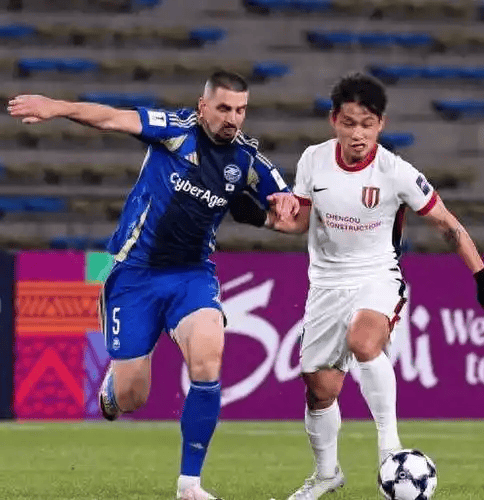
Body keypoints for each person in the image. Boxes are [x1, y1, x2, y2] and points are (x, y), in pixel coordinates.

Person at [7, 71, 298, 500]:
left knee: (208, 357)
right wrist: (58, 108)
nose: (232, 118)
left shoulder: (247, 159)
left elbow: (291, 211)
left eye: (240, 110)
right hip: (135, 275)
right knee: (131, 398)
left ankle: (189, 485)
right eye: (223, 108)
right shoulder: (175, 131)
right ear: (203, 107)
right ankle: (115, 386)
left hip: (192, 275)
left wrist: (288, 202)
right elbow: (112, 118)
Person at [265, 72, 484, 500]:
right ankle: (326, 474)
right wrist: (269, 218)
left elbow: (447, 224)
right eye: (349, 123)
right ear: (334, 120)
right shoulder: (313, 160)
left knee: (363, 339)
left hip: (378, 276)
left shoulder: (396, 172)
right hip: (325, 284)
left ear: (381, 124)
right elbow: (299, 221)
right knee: (320, 391)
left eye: (367, 124)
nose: (358, 133)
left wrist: (482, 276)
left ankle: (389, 449)